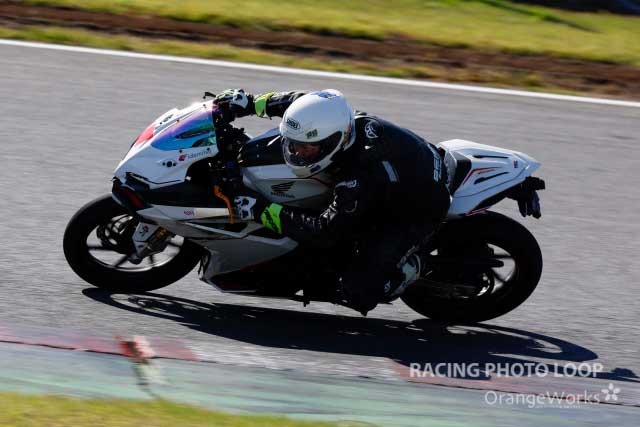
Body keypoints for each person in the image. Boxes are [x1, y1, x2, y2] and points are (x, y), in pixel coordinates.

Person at [215, 88, 451, 315]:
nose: (297, 152)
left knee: (358, 291)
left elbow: (323, 231)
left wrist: (258, 209)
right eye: (294, 144)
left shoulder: (359, 176)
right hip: (410, 165)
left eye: (306, 148)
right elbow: (297, 102)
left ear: (334, 142)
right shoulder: (333, 119)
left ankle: (415, 266)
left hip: (417, 209)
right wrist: (249, 102)